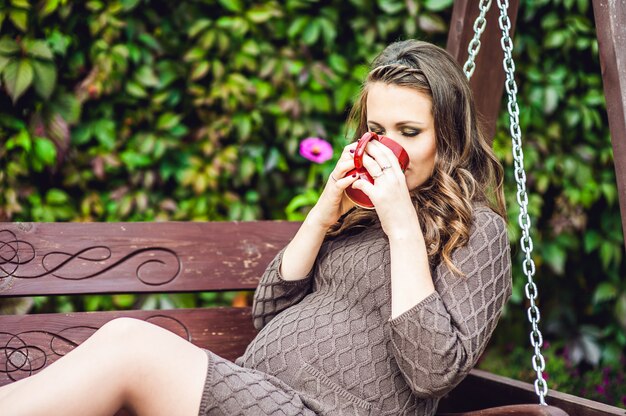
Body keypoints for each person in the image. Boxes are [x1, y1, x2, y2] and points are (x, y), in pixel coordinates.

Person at [0, 39, 511, 416]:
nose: (385, 145)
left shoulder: (478, 232)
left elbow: (432, 372)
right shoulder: (358, 215)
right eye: (375, 130)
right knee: (126, 350)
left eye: (409, 132)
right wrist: (322, 213)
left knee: (132, 346)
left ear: (447, 137)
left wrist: (402, 226)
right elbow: (268, 311)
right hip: (260, 391)